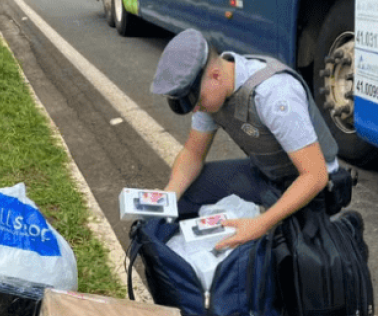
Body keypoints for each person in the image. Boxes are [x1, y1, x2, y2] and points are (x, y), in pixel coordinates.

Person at [150, 28, 351, 251]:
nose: (196, 108)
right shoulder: (211, 93)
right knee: (185, 193)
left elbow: (315, 175)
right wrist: (168, 197)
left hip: (309, 185)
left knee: (280, 254)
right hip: (268, 174)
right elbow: (192, 154)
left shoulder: (275, 95)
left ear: (216, 74)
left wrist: (260, 225)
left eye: (197, 100)